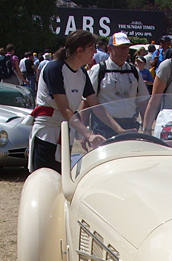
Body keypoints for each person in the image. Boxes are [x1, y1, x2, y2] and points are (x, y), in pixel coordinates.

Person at [30, 30, 116, 173]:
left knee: (63, 181)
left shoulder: (82, 73)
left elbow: (96, 106)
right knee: (45, 179)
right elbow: (65, 110)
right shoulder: (54, 69)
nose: (95, 52)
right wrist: (88, 135)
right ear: (79, 50)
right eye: (92, 48)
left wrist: (119, 130)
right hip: (47, 135)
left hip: (65, 133)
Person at [90, 33, 147, 131]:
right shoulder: (99, 70)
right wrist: (85, 133)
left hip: (130, 124)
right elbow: (88, 101)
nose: (124, 51)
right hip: (104, 127)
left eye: (126, 47)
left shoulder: (134, 71)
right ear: (109, 48)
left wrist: (147, 128)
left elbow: (142, 101)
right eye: (120, 48)